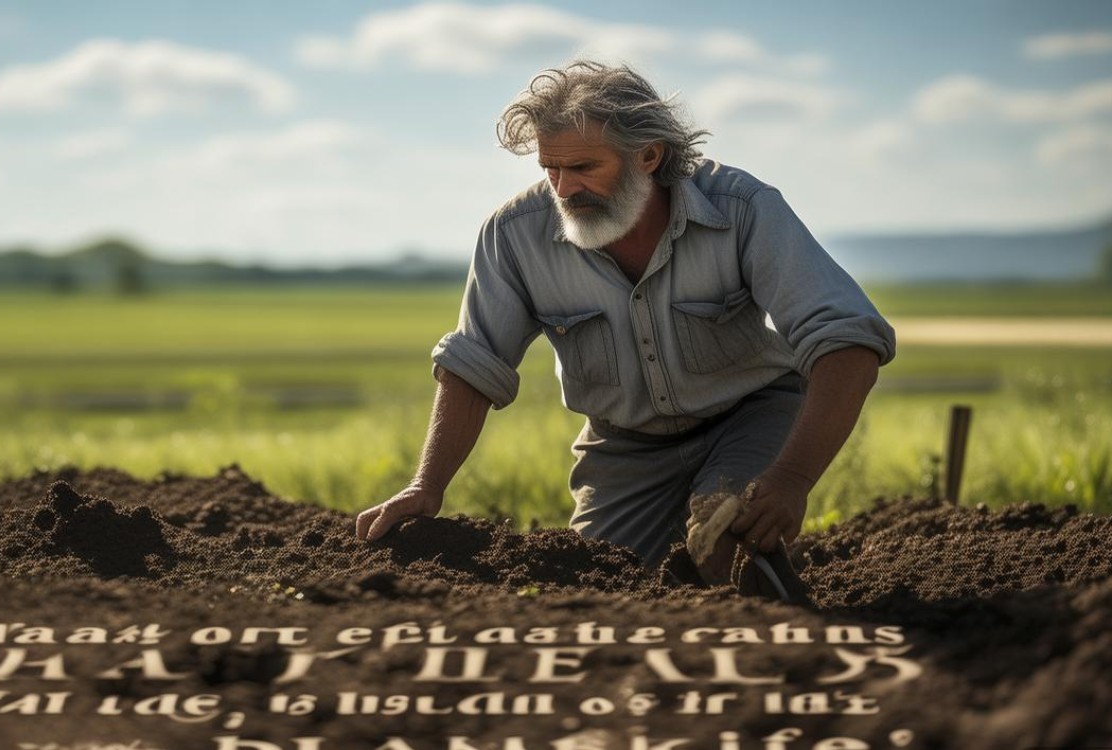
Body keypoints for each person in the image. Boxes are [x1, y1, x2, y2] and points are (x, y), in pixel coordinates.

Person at [354, 60, 895, 581]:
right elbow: (475, 364)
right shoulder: (513, 234)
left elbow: (847, 342)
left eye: (584, 167)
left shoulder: (743, 209)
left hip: (750, 416)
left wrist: (791, 480)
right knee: (599, 579)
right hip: (623, 447)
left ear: (649, 156)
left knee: (726, 543)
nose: (563, 189)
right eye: (550, 168)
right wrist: (426, 485)